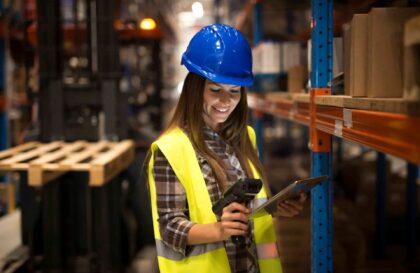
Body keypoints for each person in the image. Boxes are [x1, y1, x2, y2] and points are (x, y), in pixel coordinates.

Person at [147, 24, 307, 273]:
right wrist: (219, 229)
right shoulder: (171, 148)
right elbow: (169, 227)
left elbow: (248, 212)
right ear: (194, 88)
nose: (226, 101)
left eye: (235, 91)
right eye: (215, 90)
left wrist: (276, 208)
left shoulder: (244, 138)